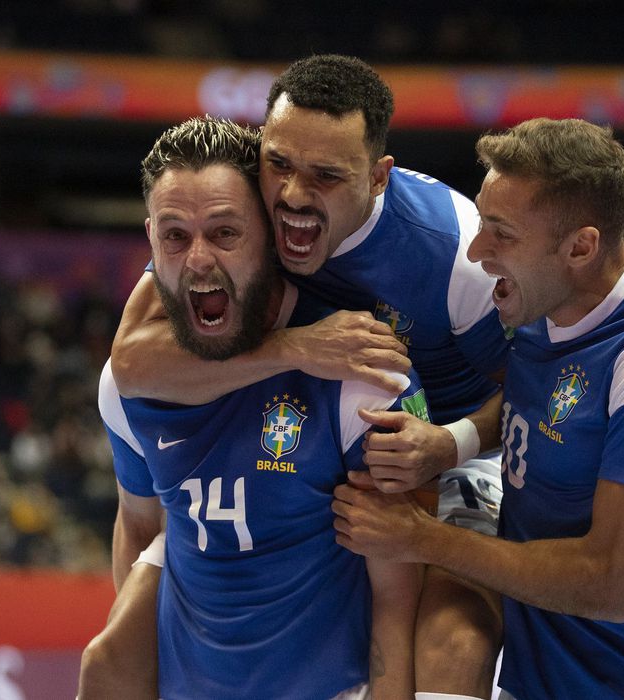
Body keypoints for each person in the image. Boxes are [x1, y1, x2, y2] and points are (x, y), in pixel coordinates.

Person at [87, 54, 510, 700]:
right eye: (279, 163)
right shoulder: (225, 211)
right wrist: (297, 348)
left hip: (458, 444)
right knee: (110, 657)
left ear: (376, 178)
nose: (291, 195)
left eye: (325, 176)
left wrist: (449, 442)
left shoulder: (454, 248)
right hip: (322, 414)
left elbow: (536, 394)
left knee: (453, 644)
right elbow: (132, 365)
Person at [331, 117, 624, 699]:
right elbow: (533, 404)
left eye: (501, 234)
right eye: (482, 223)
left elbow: (610, 585)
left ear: (580, 247)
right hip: (542, 683)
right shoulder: (538, 314)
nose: (478, 251)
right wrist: (451, 441)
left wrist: (421, 539)